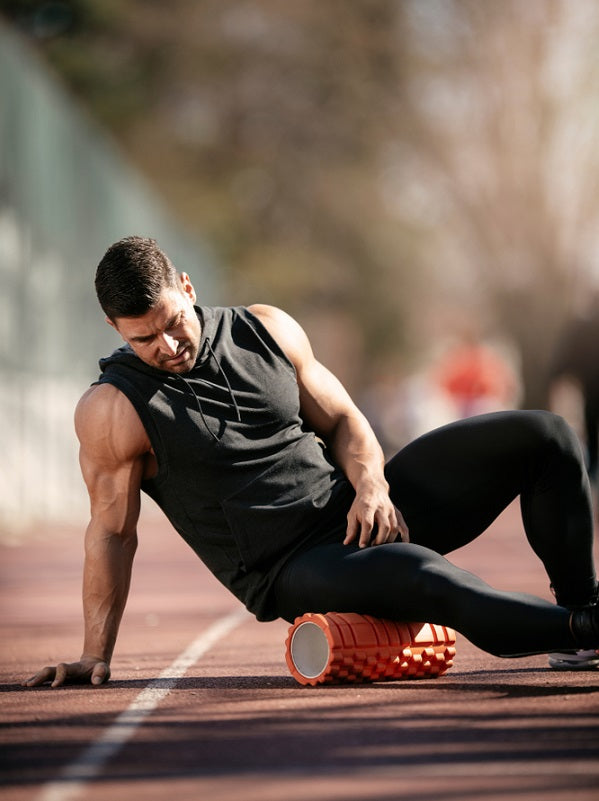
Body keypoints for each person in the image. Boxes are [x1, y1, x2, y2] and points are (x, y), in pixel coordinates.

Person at [24, 236, 599, 688]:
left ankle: (579, 609)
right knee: (426, 577)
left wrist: (372, 484)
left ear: (187, 286)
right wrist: (93, 653)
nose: (169, 346)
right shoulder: (114, 409)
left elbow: (345, 420)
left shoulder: (266, 328)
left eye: (174, 322)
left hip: (360, 509)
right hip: (295, 565)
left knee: (544, 436)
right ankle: (584, 630)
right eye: (145, 338)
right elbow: (111, 534)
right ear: (115, 330)